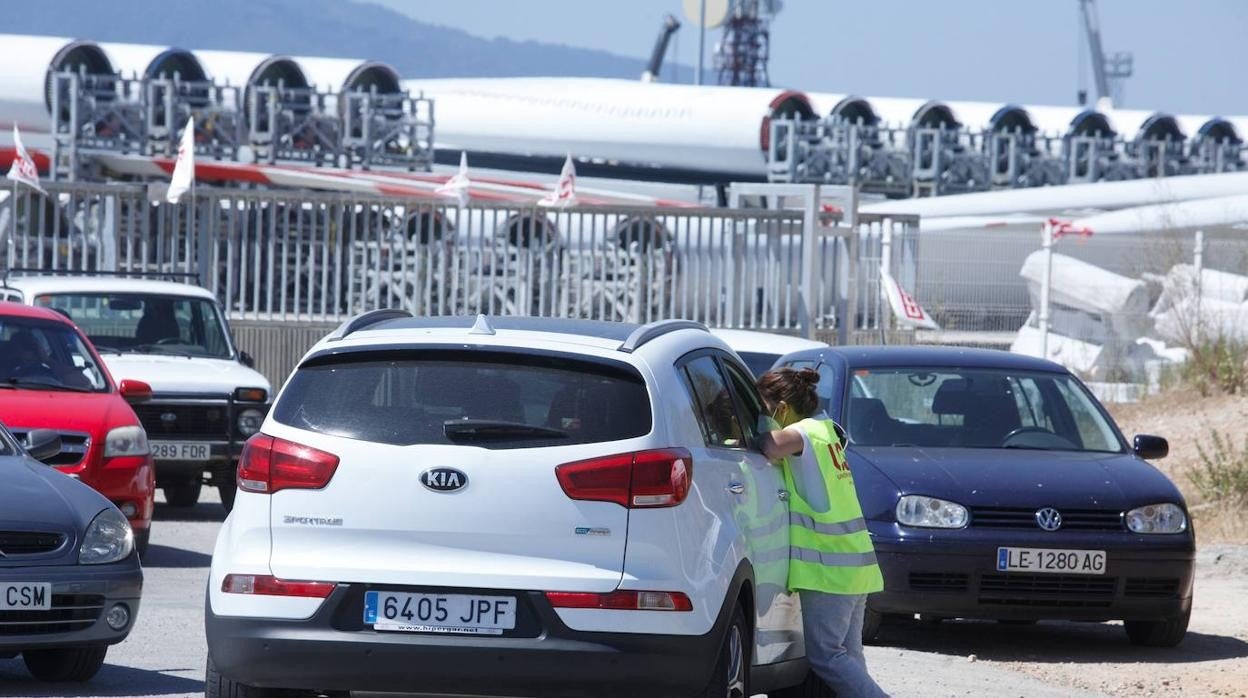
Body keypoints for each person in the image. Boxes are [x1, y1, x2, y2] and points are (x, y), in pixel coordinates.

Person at [755, 367, 888, 697]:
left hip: (830, 572)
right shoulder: (827, 431)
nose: (765, 417)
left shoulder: (803, 433)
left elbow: (769, 446)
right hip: (854, 568)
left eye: (765, 409)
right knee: (848, 656)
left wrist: (746, 427)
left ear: (782, 408)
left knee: (826, 656)